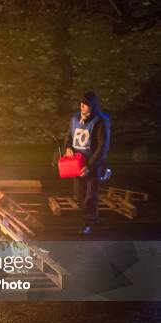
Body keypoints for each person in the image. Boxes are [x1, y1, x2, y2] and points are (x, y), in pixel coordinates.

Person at [63, 91, 111, 235]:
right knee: (80, 194)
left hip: (92, 165)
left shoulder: (101, 121)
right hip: (76, 164)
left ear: (93, 106)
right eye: (81, 103)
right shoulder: (75, 118)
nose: (82, 106)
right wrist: (68, 148)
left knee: (91, 195)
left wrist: (90, 166)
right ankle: (90, 217)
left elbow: (103, 145)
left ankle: (89, 221)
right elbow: (68, 136)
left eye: (86, 104)